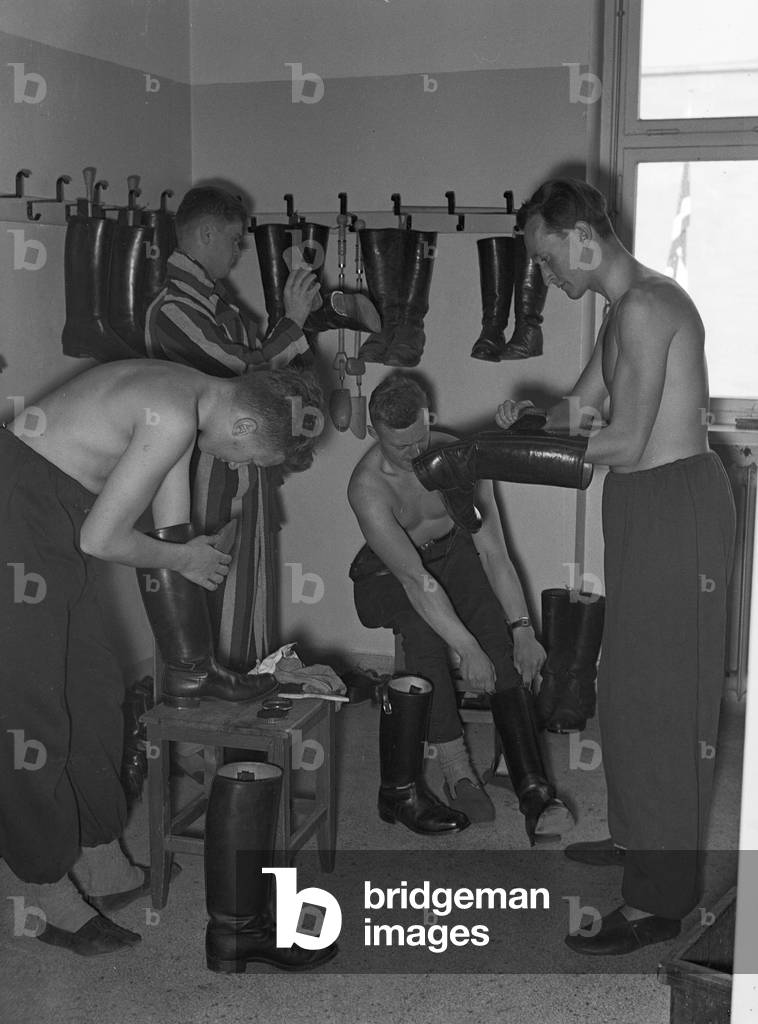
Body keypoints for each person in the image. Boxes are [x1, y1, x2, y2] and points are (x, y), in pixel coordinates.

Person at [0, 358, 322, 957]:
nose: (239, 466)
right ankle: (40, 886)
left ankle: (98, 855)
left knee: (93, 690)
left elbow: (171, 534)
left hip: (53, 514)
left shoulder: (190, 402)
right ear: (248, 427)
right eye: (250, 460)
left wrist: (198, 666)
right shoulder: (174, 414)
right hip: (16, 508)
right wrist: (182, 561)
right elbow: (104, 540)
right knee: (29, 708)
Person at [493, 178, 736, 954]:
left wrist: (494, 453)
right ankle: (638, 837)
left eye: (545, 256)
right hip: (642, 506)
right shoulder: (618, 312)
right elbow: (579, 412)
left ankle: (662, 900)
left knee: (665, 702)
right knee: (626, 687)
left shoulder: (647, 306)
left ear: (583, 238)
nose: (545, 276)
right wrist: (532, 418)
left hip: (675, 504)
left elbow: (624, 443)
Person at [348, 373, 573, 843]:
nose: (413, 454)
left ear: (429, 418)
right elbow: (415, 580)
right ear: (375, 433)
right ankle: (458, 771)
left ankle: (533, 787)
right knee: (426, 633)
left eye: (419, 439)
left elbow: (493, 554)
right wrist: (465, 649)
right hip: (391, 575)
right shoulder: (367, 487)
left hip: (453, 555)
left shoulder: (460, 458)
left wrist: (523, 629)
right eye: (398, 447)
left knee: (497, 631)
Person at [145, 185, 319, 671]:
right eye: (234, 239)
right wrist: (293, 321)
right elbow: (243, 374)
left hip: (242, 468)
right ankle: (203, 737)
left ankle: (244, 717)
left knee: (248, 601)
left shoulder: (214, 305)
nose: (239, 249)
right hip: (200, 478)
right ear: (205, 233)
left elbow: (263, 373)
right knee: (210, 607)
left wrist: (293, 328)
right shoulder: (174, 308)